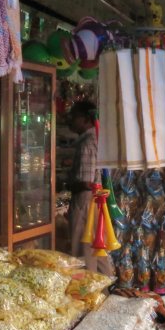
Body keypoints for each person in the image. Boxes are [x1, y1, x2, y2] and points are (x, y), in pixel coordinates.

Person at [67, 101, 113, 275]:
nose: (70, 120)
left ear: (86, 119)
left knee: (83, 250)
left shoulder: (87, 143)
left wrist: (68, 184)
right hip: (96, 199)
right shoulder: (98, 138)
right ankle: (107, 288)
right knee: (97, 248)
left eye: (74, 116)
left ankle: (87, 293)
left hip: (85, 199)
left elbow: (86, 181)